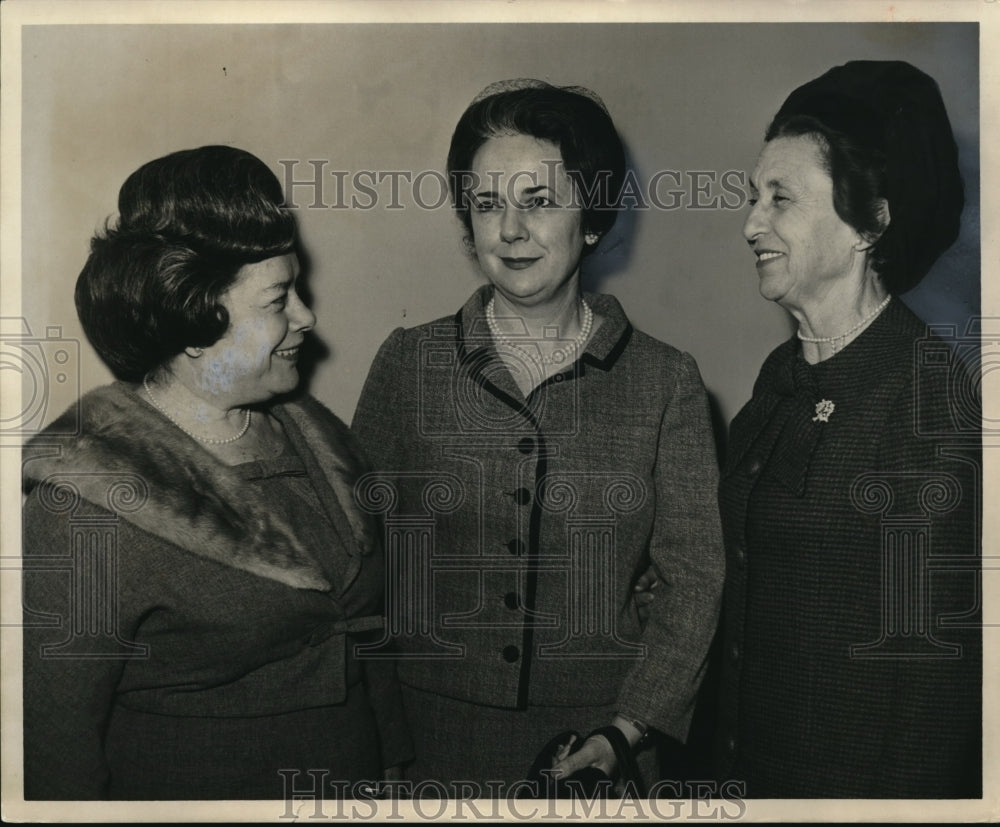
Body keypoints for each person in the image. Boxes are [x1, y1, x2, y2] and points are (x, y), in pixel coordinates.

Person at [351, 79, 724, 794]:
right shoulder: (409, 362)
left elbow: (696, 581)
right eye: (487, 205)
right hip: (430, 749)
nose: (510, 231)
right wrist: (384, 745)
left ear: (591, 218)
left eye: (539, 201)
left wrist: (630, 726)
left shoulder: (666, 380)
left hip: (600, 751)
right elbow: (361, 568)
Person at [21, 145, 412, 799]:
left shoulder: (316, 433)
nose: (307, 317)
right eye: (279, 299)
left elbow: (363, 636)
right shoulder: (86, 501)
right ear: (196, 322)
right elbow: (54, 751)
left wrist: (395, 768)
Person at [713, 61, 981, 797]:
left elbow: (936, 684)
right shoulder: (777, 377)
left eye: (781, 199)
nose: (751, 224)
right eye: (752, 197)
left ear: (870, 221)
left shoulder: (925, 394)